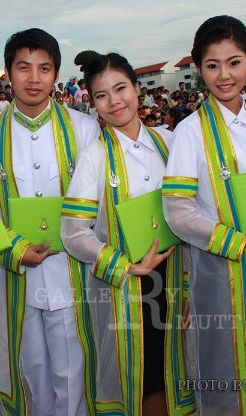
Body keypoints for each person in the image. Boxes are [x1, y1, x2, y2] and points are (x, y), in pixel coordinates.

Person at [163, 15, 246, 415]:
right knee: (224, 363)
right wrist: (241, 241)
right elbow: (177, 212)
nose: (224, 75)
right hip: (220, 266)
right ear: (198, 67)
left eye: (234, 62)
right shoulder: (189, 130)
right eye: (212, 65)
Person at [0, 28, 100, 416]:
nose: (34, 78)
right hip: (14, 276)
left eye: (44, 68)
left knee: (73, 373)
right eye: (23, 67)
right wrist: (12, 251)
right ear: (8, 73)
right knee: (30, 372)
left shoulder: (84, 128)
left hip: (72, 272)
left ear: (56, 74)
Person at [61, 52, 195, 415]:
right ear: (92, 103)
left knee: (179, 368)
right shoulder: (95, 156)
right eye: (102, 95)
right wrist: (124, 265)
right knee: (142, 372)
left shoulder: (169, 142)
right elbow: (73, 232)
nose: (114, 101)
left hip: (178, 275)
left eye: (121, 88)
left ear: (138, 89)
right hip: (129, 286)